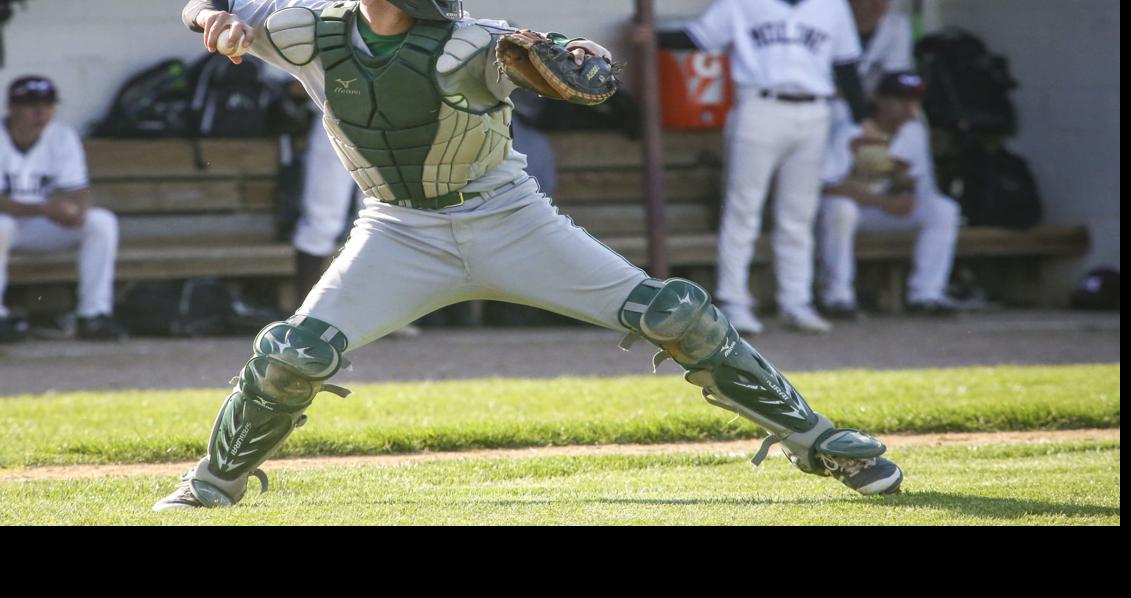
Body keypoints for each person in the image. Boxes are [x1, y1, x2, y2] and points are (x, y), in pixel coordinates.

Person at [153, 0, 902, 511]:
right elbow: (200, 5)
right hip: (396, 229)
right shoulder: (307, 29)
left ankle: (820, 441)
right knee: (292, 353)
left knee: (679, 314)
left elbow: (582, 73)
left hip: (508, 219)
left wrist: (586, 59)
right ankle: (213, 483)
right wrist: (208, 17)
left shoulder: (472, 39)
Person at [680, 0, 870, 336]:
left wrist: (862, 118)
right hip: (759, 105)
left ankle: (796, 301)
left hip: (815, 110)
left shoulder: (831, 6)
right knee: (744, 209)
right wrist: (645, 36)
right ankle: (734, 300)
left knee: (799, 214)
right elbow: (697, 39)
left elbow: (846, 65)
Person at [817, 71, 958, 317]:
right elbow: (827, 186)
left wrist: (904, 190)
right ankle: (838, 296)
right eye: (901, 98)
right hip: (853, 212)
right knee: (840, 209)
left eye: (915, 99)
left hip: (884, 211)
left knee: (943, 209)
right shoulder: (851, 129)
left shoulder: (914, 131)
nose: (909, 106)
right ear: (880, 100)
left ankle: (927, 294)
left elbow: (916, 181)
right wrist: (881, 200)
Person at [0, 74, 123, 342]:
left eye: (47, 105)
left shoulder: (61, 136)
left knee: (100, 222)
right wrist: (45, 209)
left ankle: (94, 315)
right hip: (10, 225)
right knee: (2, 226)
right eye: (32, 105)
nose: (41, 112)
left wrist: (77, 211)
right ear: (13, 107)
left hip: (41, 227)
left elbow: (78, 190)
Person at [832, 0, 912, 131]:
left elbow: (896, 80)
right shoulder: (829, 24)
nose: (877, 4)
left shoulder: (897, 26)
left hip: (880, 105)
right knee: (840, 115)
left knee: (912, 126)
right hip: (836, 106)